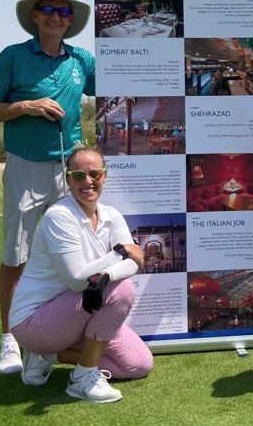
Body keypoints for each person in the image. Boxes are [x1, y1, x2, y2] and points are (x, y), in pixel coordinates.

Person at [0, 0, 96, 375]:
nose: (56, 17)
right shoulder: (13, 57)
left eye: (63, 12)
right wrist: (25, 106)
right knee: (17, 254)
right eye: (48, 9)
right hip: (26, 166)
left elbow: (119, 85)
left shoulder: (81, 60)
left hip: (69, 169)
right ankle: (10, 338)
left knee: (69, 254)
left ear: (71, 20)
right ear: (34, 15)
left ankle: (54, 336)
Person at [9, 146, 153, 403]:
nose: (88, 181)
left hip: (81, 311)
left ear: (105, 176)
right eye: (79, 176)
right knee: (121, 288)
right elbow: (77, 279)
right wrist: (121, 253)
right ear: (68, 180)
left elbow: (134, 264)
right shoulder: (59, 217)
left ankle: (48, 356)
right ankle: (82, 378)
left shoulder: (112, 215)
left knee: (138, 365)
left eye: (95, 174)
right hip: (34, 321)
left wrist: (110, 270)